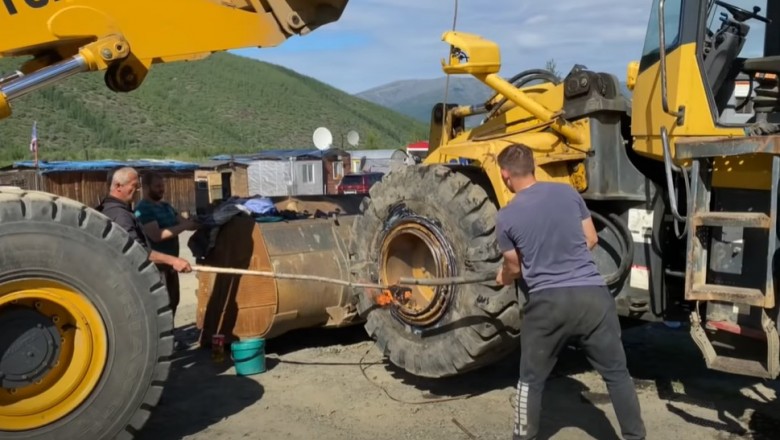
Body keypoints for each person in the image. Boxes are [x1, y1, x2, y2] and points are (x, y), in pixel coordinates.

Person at [494, 144, 646, 440]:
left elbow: (515, 267)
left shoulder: (507, 216)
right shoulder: (567, 193)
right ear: (533, 166)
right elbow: (590, 238)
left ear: (505, 175)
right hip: (593, 297)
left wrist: (502, 276)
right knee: (617, 374)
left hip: (548, 305)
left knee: (530, 381)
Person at [96, 167, 193, 311]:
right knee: (160, 311)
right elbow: (137, 251)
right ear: (118, 186)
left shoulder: (114, 209)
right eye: (134, 186)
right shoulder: (121, 215)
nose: (137, 191)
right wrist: (174, 260)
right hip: (148, 271)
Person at [134, 172, 199, 324]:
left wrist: (205, 221)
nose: (161, 189)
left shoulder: (166, 206)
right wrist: (184, 225)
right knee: (161, 305)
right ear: (145, 187)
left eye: (162, 186)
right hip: (157, 266)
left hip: (172, 264)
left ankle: (171, 335)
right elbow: (157, 235)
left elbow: (186, 223)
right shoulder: (143, 209)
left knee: (173, 301)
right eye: (157, 186)